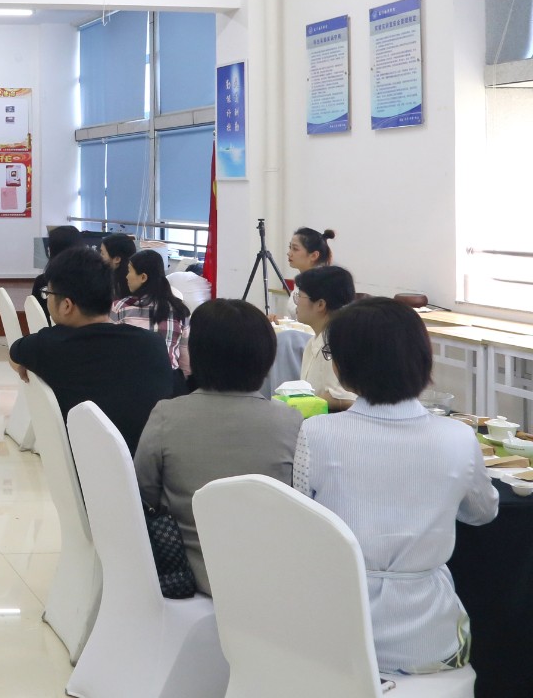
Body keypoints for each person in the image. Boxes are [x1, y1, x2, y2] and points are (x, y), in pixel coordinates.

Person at [294, 298, 498, 675]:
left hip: (339, 635)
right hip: (430, 638)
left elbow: (303, 524)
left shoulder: (316, 432)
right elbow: (483, 513)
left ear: (341, 367)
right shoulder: (458, 437)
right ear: (423, 361)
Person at [134, 299, 304, 594]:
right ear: (267, 359)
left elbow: (142, 493)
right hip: (272, 576)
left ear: (197, 355)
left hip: (189, 576)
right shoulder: (292, 422)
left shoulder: (167, 415)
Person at [7, 247, 172, 452]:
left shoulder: (48, 346)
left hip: (89, 463)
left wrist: (29, 363)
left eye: (48, 293)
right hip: (150, 464)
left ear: (66, 305)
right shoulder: (153, 344)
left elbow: (14, 355)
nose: (46, 298)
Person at [112, 249, 192, 393]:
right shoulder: (180, 310)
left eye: (129, 271)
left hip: (130, 384)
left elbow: (111, 351)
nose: (126, 276)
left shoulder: (120, 307)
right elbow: (185, 358)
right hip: (169, 385)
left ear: (143, 277)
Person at [292, 264, 358, 408]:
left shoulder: (336, 345)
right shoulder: (314, 341)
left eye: (299, 296)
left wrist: (301, 404)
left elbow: (346, 399)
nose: (296, 303)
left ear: (320, 304)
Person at [30, 224, 81, 326]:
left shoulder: (42, 281)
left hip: (47, 332)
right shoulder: (90, 281)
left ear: (52, 250)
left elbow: (34, 314)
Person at [99, 233, 138, 299]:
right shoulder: (112, 276)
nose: (99, 256)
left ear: (117, 259)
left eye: (102, 253)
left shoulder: (125, 285)